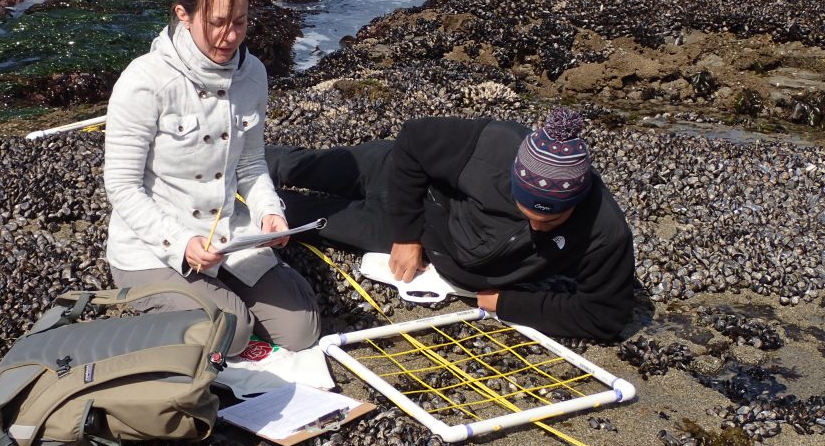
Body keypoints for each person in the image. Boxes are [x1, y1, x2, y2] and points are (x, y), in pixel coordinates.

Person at [103, 0, 320, 356]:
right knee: (231, 335)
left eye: (239, 21)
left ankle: (229, 290)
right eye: (217, 23)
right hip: (152, 246)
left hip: (227, 236)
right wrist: (182, 241)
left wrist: (268, 214)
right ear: (183, 15)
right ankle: (165, 298)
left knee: (302, 330)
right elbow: (122, 186)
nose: (229, 36)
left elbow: (252, 164)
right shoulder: (144, 80)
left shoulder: (253, 73)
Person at [266, 108, 635, 341]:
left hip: (416, 239)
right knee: (293, 167)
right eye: (526, 212)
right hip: (390, 175)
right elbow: (413, 139)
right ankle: (220, 162)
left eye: (551, 220)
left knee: (291, 216)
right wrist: (406, 235)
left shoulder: (603, 232)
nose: (537, 228)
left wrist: (504, 303)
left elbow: (605, 316)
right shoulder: (493, 146)